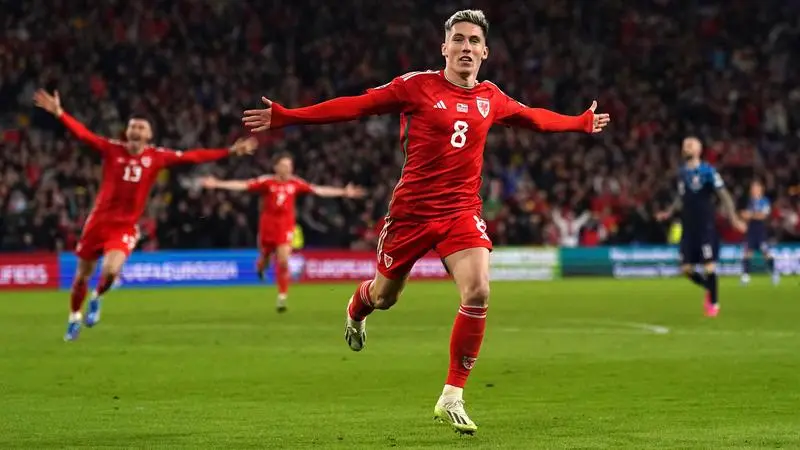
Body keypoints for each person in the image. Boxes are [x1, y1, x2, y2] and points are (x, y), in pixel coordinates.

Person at [241, 9, 610, 434]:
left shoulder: (491, 96)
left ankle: (452, 395)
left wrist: (580, 122)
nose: (466, 47)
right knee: (385, 297)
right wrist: (290, 116)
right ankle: (357, 306)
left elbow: (535, 118)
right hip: (411, 215)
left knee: (478, 290)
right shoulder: (416, 86)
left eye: (474, 41)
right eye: (459, 39)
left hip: (461, 211)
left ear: (485, 52)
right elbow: (356, 106)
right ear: (444, 47)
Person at [33, 89, 257, 341]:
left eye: (141, 127)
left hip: (124, 227)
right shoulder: (111, 149)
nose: (136, 130)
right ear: (127, 132)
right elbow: (84, 135)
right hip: (97, 223)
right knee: (81, 276)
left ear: (149, 135)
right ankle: (74, 317)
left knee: (110, 270)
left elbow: (193, 156)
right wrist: (60, 113)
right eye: (133, 126)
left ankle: (97, 297)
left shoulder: (156, 157)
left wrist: (229, 152)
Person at [200, 153, 365, 312]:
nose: (287, 169)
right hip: (267, 228)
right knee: (264, 258)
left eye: (289, 166)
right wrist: (218, 183)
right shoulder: (267, 182)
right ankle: (260, 269)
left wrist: (343, 192)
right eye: (284, 166)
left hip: (285, 227)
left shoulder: (295, 183)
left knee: (284, 260)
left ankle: (282, 296)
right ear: (276, 167)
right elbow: (243, 185)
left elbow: (318, 190)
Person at [656, 137, 745, 317]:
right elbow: (681, 197)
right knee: (686, 269)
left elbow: (724, 196)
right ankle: (709, 287)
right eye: (684, 146)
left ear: (699, 149)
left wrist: (734, 219)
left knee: (709, 265)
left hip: (705, 226)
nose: (686, 148)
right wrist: (669, 212)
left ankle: (714, 303)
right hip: (688, 227)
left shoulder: (708, 171)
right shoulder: (682, 173)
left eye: (690, 145)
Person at [740, 180, 779, 286]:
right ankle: (745, 276)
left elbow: (763, 216)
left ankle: (774, 273)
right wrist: (750, 215)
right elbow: (743, 214)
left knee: (766, 252)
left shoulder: (764, 201)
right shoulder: (749, 201)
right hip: (751, 230)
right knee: (747, 253)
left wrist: (751, 215)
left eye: (755, 188)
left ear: (761, 189)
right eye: (752, 188)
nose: (753, 190)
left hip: (761, 230)